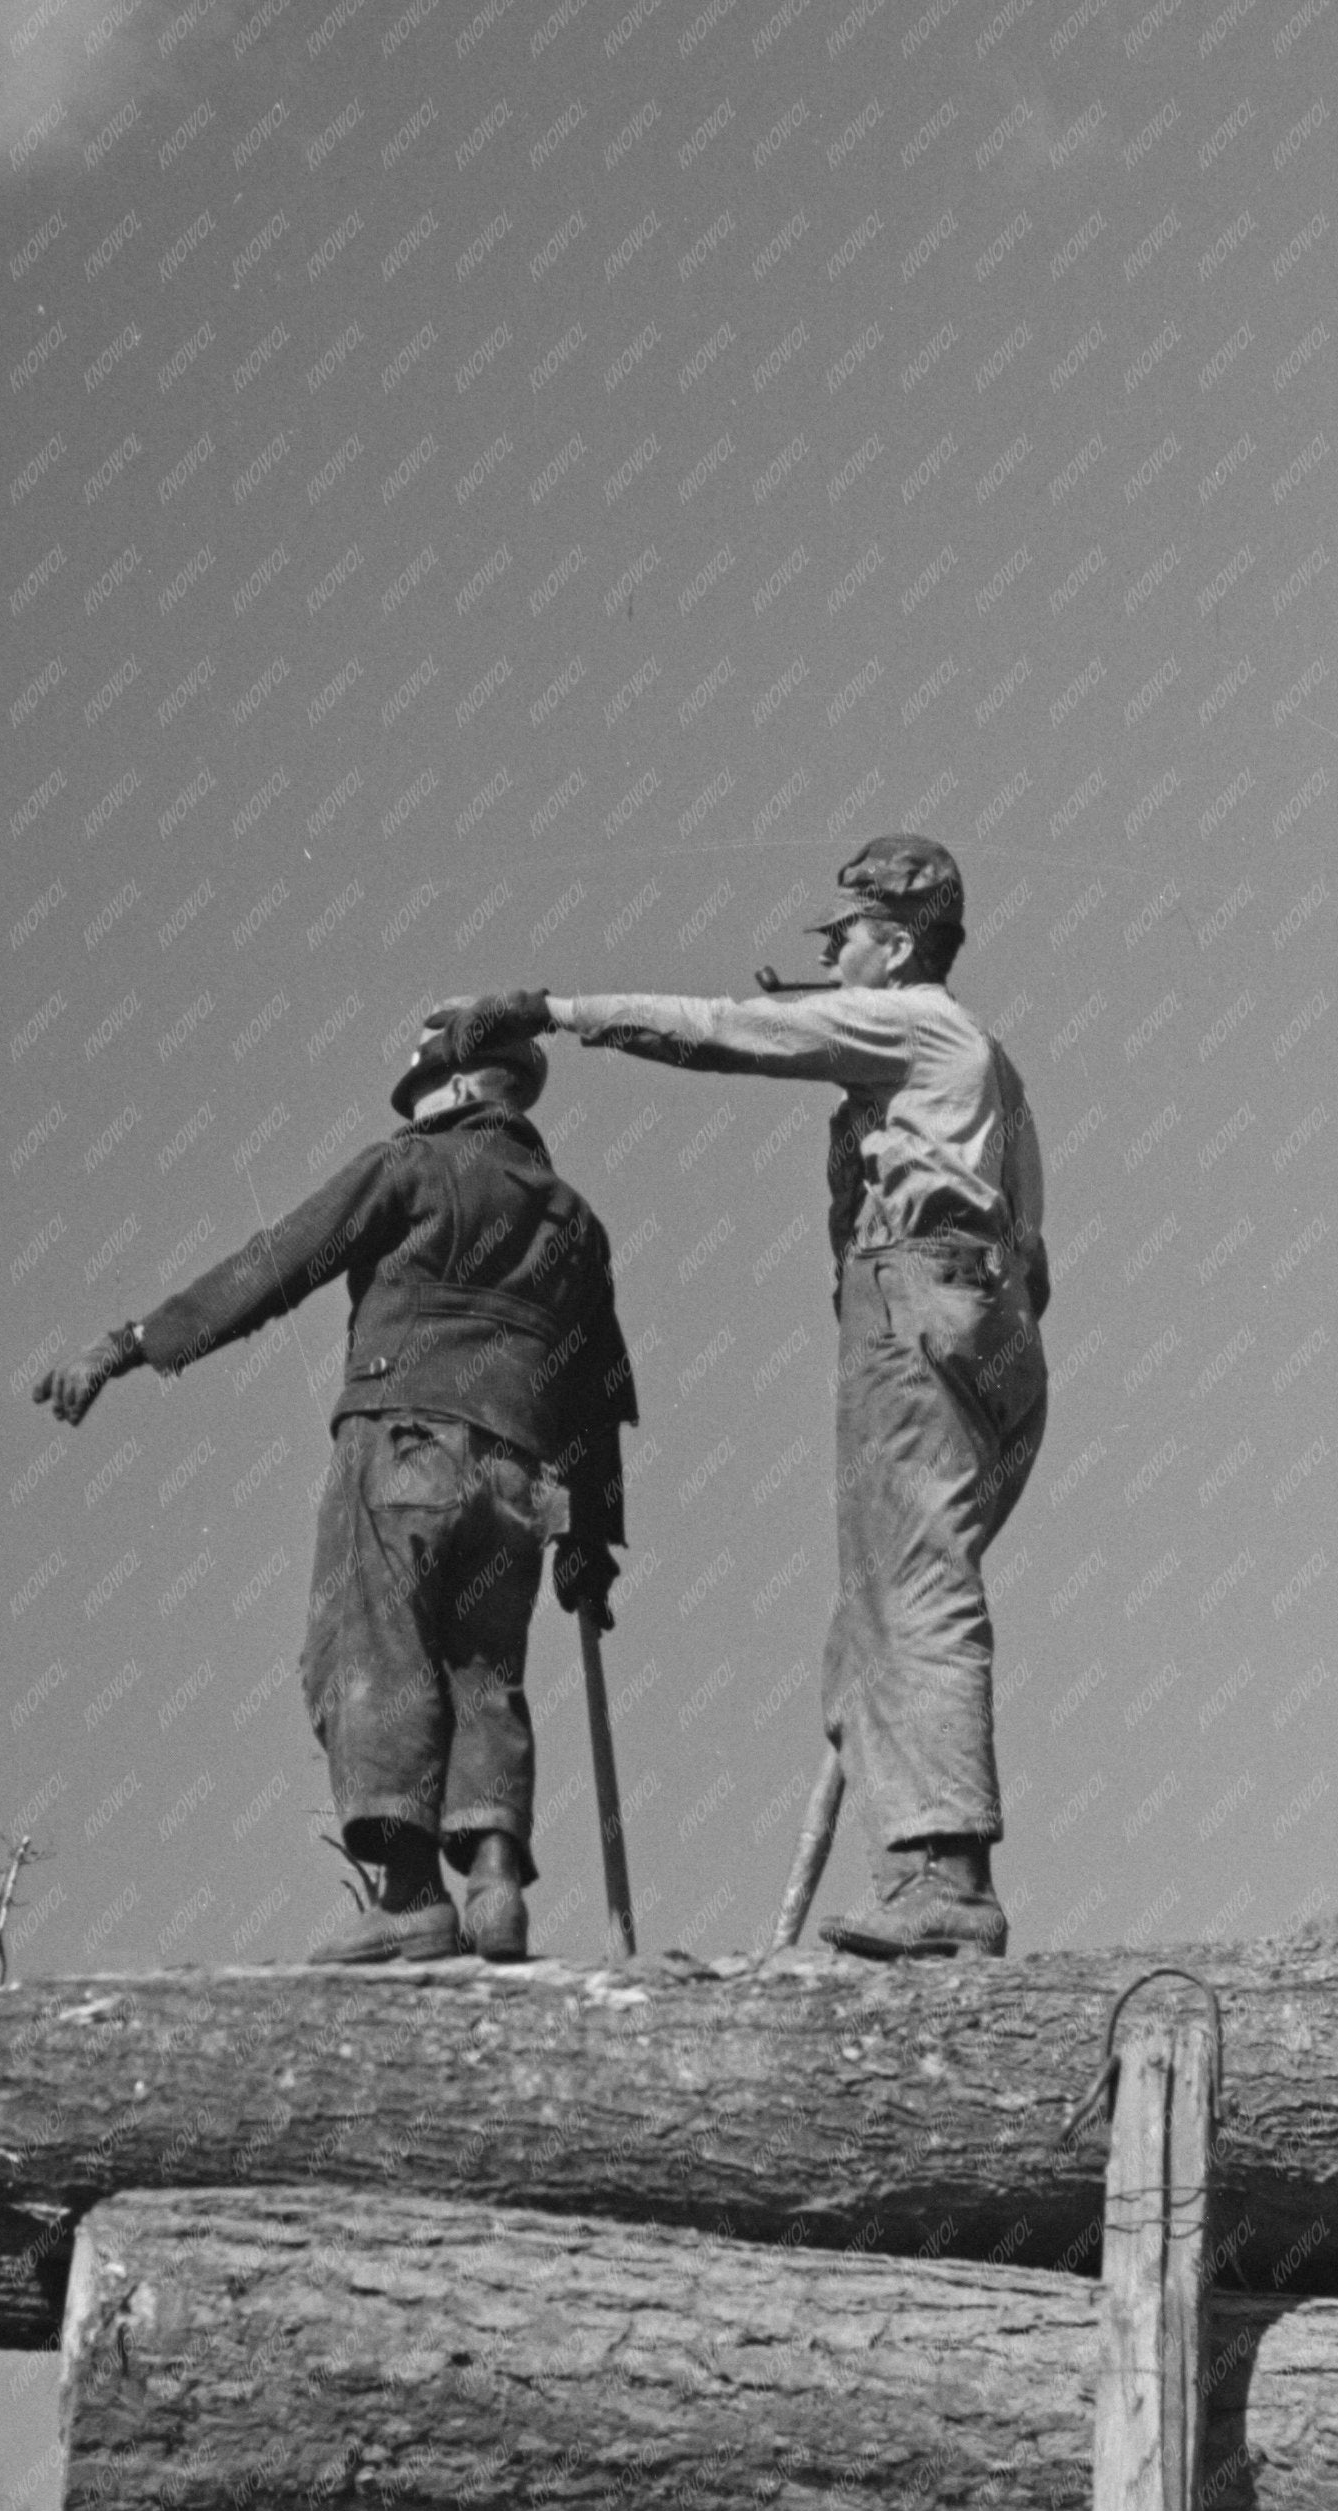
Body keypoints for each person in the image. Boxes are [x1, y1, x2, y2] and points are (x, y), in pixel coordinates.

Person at [430, 834, 1045, 1957]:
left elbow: (727, 1033)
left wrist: (556, 1009)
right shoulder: (992, 1063)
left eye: (844, 936)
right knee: (888, 1607)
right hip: (990, 1335)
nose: (831, 954)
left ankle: (946, 1881)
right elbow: (1033, 1267)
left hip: (912, 1299)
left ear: (897, 942)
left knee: (909, 1593)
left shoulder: (906, 1019)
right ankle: (911, 1876)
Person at [32, 1020, 636, 1964]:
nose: (421, 1109)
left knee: (370, 1652)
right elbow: (600, 1386)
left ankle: (408, 1898)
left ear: (464, 1089)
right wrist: (590, 1536)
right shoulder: (575, 1221)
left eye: (429, 1091)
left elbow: (280, 1260)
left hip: (403, 1444)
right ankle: (494, 1881)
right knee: (483, 1669)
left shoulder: (413, 1167)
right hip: (521, 1478)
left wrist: (132, 1344)